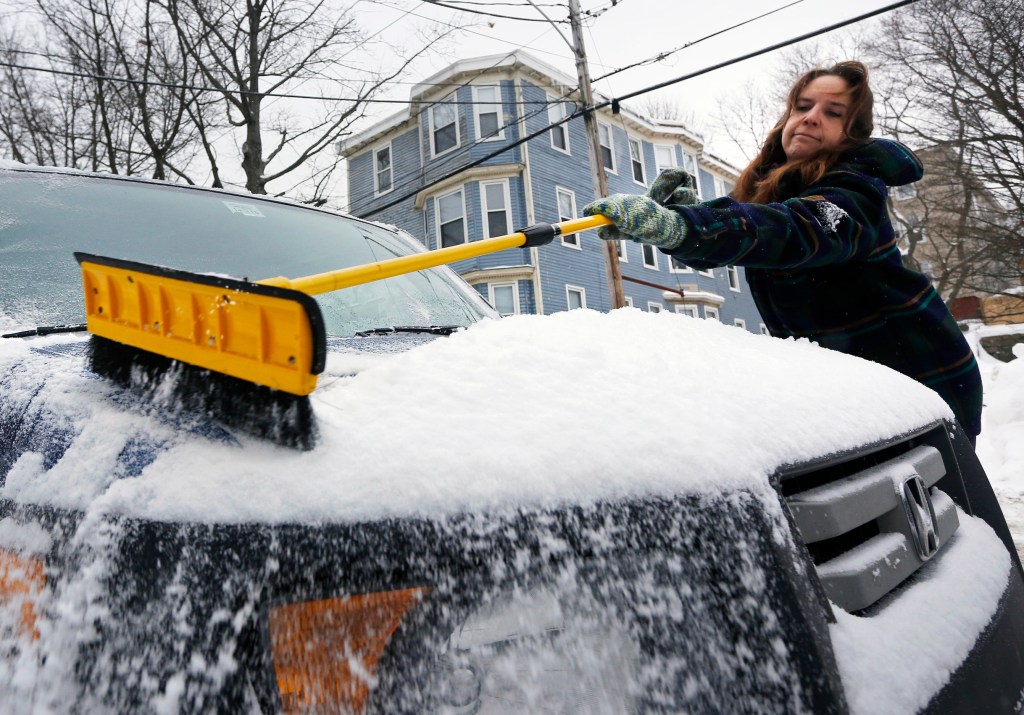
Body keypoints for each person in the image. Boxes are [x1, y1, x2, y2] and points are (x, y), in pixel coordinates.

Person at [583, 60, 983, 443]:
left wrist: (687, 226)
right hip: (851, 385)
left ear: (852, 135)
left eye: (833, 112)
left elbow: (796, 230)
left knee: (944, 509)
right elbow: (752, 239)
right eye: (803, 106)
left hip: (921, 378)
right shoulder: (773, 190)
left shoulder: (856, 188)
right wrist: (680, 222)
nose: (810, 117)